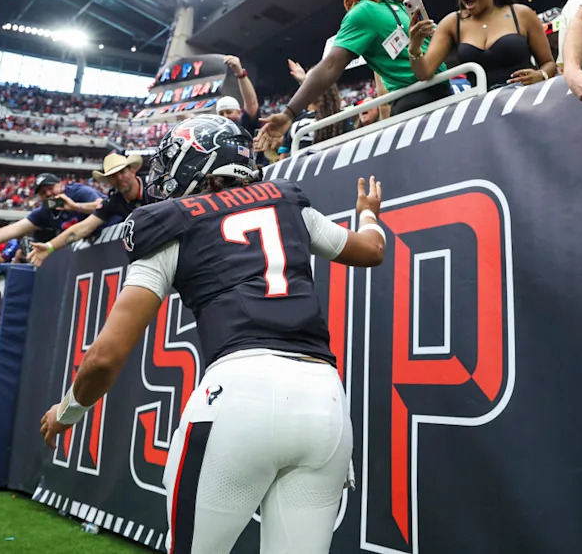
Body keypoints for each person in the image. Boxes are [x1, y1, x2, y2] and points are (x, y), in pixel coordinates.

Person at [40, 114, 386, 553]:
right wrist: (370, 215)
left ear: (197, 167)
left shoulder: (170, 223)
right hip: (326, 404)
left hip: (239, 398)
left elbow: (105, 357)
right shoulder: (288, 204)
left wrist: (67, 411)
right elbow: (371, 250)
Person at [255, 0, 448, 152]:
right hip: (416, 104)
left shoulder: (404, 7)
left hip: (444, 92)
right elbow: (330, 65)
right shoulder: (363, 12)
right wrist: (288, 113)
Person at [409, 0, 556, 89]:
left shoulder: (522, 14)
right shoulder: (452, 23)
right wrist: (415, 47)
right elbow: (424, 73)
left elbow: (549, 63)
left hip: (525, 99)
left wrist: (541, 75)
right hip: (484, 110)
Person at [28, 154, 149, 267]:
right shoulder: (113, 202)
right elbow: (83, 227)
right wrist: (50, 247)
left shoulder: (154, 186)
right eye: (113, 176)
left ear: (132, 171)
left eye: (122, 172)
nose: (119, 178)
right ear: (109, 181)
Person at [0, 173, 104, 261]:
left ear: (61, 185)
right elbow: (15, 229)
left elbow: (103, 206)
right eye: (43, 193)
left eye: (50, 188)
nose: (48, 194)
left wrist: (76, 206)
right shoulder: (46, 210)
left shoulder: (78, 192)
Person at [278, 59, 351, 159]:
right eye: (307, 84)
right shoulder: (296, 116)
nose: (308, 87)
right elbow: (283, 157)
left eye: (311, 83)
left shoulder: (340, 117)